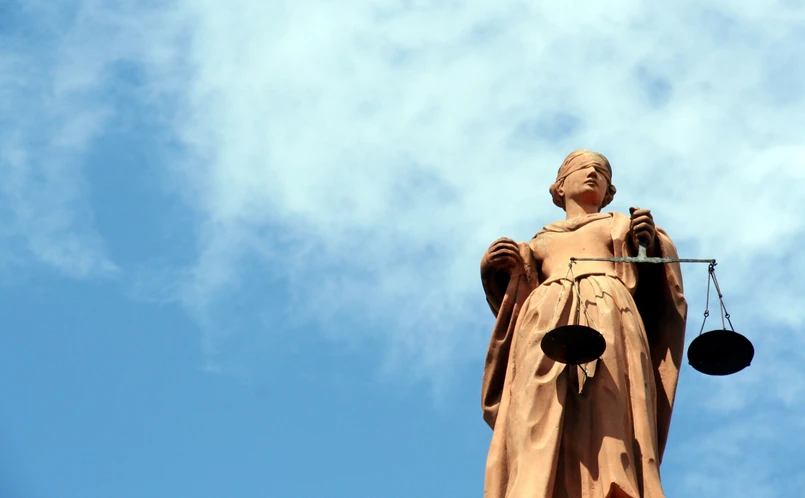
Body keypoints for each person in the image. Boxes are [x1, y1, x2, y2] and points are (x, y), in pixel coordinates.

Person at [480, 150, 688, 498]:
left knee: (609, 398)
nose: (593, 173)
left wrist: (650, 241)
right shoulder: (539, 241)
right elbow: (518, 295)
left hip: (609, 313)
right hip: (545, 322)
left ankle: (613, 483)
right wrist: (496, 264)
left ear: (609, 191)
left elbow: (656, 280)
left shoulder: (618, 225)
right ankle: (532, 486)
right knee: (535, 405)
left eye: (601, 171)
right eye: (582, 167)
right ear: (560, 186)